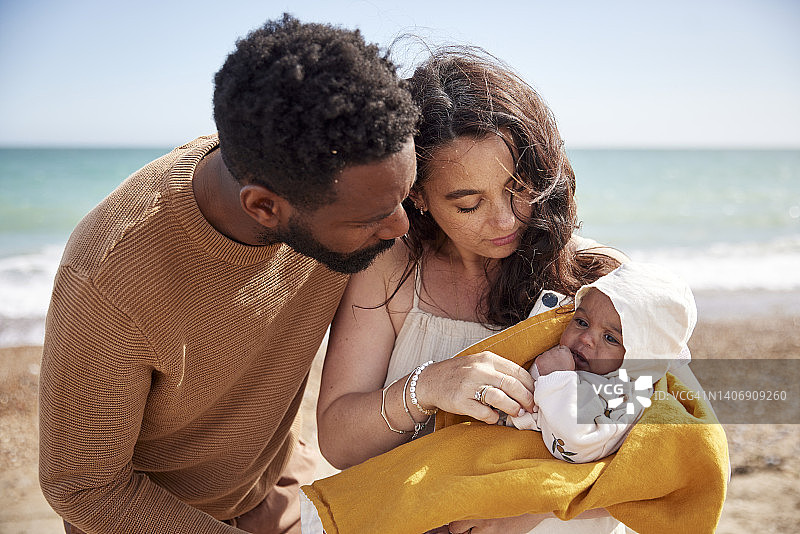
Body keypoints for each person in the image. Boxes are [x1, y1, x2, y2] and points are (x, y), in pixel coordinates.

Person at [38, 14, 419, 534]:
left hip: (279, 484)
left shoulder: (343, 180)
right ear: (264, 208)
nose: (401, 226)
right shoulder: (113, 277)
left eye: (406, 194)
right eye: (373, 217)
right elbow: (83, 485)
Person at [315, 47, 631, 534]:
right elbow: (337, 442)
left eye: (521, 189)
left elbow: (667, 447)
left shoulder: (598, 279)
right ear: (415, 193)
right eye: (468, 205)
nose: (505, 222)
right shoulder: (388, 270)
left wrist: (523, 512)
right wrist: (429, 386)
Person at [503, 262, 697, 464]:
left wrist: (556, 379)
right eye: (581, 322)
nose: (586, 338)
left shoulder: (623, 397)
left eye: (610, 338)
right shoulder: (571, 359)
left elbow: (575, 444)